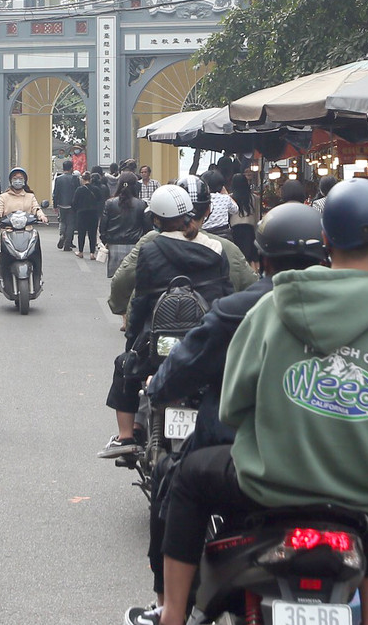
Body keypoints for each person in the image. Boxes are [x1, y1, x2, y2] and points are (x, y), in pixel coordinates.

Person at [122, 178, 368, 625]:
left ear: (328, 243)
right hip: (354, 497)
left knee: (185, 478)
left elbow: (233, 405)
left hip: (262, 483)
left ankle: (169, 624)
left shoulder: (269, 308)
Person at [113, 203, 330, 625]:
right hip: (339, 468)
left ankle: (168, 618)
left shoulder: (239, 310)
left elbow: (181, 362)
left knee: (180, 481)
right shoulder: (367, 309)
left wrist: (159, 385)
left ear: (264, 258)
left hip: (252, 463)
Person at [99, 183, 233, 459]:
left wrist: (132, 339)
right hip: (206, 340)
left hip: (159, 342)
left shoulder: (151, 249)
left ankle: (127, 436)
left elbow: (142, 300)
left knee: (125, 366)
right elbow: (226, 296)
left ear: (156, 218)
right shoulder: (216, 248)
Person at [107, 176, 257, 322]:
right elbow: (251, 290)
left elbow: (123, 280)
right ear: (208, 210)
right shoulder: (225, 248)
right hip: (210, 332)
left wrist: (121, 308)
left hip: (157, 329)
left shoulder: (150, 243)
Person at [0, 167, 48, 292]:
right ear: (11, 181)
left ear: (25, 181)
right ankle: (3, 277)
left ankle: (38, 277)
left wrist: (41, 216)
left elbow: (36, 208)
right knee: (3, 256)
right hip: (8, 231)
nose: (18, 181)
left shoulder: (30, 196)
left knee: (36, 253)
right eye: (15, 178)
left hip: (27, 231)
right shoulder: (4, 197)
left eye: (20, 179)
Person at [100, 171, 150, 277]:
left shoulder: (110, 203)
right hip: (135, 246)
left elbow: (103, 226)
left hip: (114, 245)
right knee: (133, 279)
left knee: (116, 280)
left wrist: (106, 240)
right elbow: (147, 228)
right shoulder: (141, 204)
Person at [227, 173, 259, 266]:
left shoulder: (229, 198)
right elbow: (257, 216)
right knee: (250, 257)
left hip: (235, 229)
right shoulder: (254, 198)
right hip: (249, 229)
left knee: (237, 256)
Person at [72, 171, 105, 259]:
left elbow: (74, 202)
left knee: (81, 233)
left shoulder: (79, 189)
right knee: (92, 233)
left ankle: (81, 252)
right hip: (93, 213)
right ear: (90, 179)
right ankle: (92, 254)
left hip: (82, 213)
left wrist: (76, 210)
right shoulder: (96, 189)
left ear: (82, 180)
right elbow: (100, 200)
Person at [53, 159, 82, 252]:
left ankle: (62, 234)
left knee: (62, 221)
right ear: (71, 168)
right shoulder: (75, 178)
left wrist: (55, 205)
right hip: (72, 205)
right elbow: (78, 192)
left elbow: (55, 193)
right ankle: (67, 244)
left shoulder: (58, 179)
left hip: (61, 204)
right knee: (71, 224)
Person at [200, 169, 235, 236]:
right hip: (223, 234)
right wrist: (226, 194)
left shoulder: (202, 198)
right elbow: (235, 210)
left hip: (205, 234)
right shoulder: (225, 198)